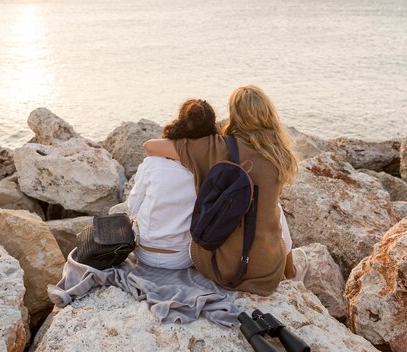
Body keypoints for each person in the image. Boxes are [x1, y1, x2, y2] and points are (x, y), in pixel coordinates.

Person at [143, 85, 304, 295]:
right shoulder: (281, 155)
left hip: (221, 268)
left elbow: (150, 146)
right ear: (268, 114)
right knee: (274, 208)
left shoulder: (218, 148)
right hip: (267, 271)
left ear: (234, 115)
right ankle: (291, 271)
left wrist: (186, 138)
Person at [127, 99, 218, 270]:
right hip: (183, 258)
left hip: (144, 252)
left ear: (181, 122)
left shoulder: (152, 162)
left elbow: (133, 206)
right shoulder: (208, 168)